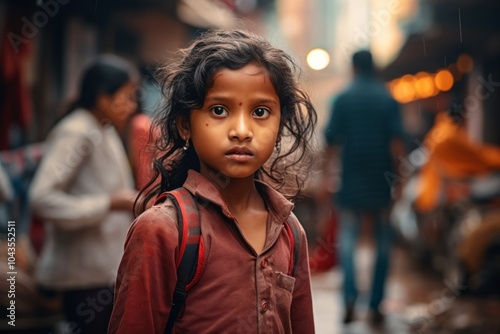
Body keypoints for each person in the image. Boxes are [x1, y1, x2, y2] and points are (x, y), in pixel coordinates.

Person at [108, 29, 317, 334]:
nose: (242, 130)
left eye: (261, 112)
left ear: (279, 124)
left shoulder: (289, 230)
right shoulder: (163, 230)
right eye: (219, 110)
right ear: (184, 125)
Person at [29, 55, 139, 334]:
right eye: (125, 96)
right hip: (83, 277)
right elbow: (41, 199)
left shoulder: (102, 129)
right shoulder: (77, 131)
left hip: (103, 272)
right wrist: (108, 203)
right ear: (103, 98)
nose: (132, 105)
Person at [323, 50, 405, 324]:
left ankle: (349, 299)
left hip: (352, 179)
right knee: (382, 240)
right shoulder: (387, 99)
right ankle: (375, 304)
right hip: (381, 181)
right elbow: (396, 144)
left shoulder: (343, 98)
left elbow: (331, 142)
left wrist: (326, 177)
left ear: (354, 68)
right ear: (375, 68)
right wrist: (399, 181)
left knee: (347, 238)